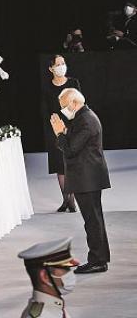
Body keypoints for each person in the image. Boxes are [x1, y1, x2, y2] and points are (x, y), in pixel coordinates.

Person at [50, 88, 111, 274]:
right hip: (87, 177)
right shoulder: (82, 117)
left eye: (64, 106)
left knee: (92, 221)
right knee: (94, 220)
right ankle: (100, 258)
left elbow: (70, 149)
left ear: (75, 103)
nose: (63, 111)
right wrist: (62, 133)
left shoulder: (86, 120)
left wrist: (60, 133)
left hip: (88, 179)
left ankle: (98, 261)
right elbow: (71, 144)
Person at [42, 55, 80, 212]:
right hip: (56, 128)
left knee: (72, 164)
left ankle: (71, 200)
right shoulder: (47, 87)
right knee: (60, 166)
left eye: (63, 63)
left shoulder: (73, 83)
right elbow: (47, 110)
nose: (61, 66)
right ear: (51, 69)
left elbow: (79, 103)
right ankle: (67, 200)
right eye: (58, 64)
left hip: (73, 127)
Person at [18, 237, 79, 318]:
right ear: (45, 277)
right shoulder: (43, 315)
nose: (70, 273)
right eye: (65, 269)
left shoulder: (54, 308)